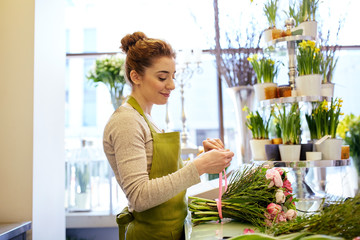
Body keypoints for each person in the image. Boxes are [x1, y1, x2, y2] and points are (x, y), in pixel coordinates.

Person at [103, 31, 234, 240]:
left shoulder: (146, 117)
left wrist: (202, 159)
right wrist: (200, 167)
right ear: (136, 76)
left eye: (173, 77)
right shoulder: (126, 122)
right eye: (162, 77)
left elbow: (162, 176)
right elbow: (139, 196)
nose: (171, 85)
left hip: (172, 231)